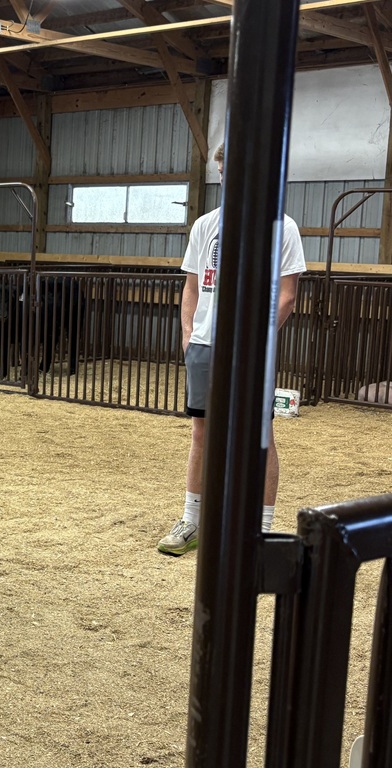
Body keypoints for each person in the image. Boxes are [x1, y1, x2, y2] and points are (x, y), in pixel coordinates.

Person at [157, 145, 306, 556]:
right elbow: (191, 286)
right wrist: (189, 333)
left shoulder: (282, 227)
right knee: (202, 432)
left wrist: (254, 340)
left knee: (259, 435)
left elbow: (287, 295)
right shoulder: (206, 225)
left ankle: (259, 529)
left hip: (250, 350)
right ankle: (193, 520)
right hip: (206, 345)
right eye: (223, 173)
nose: (229, 181)